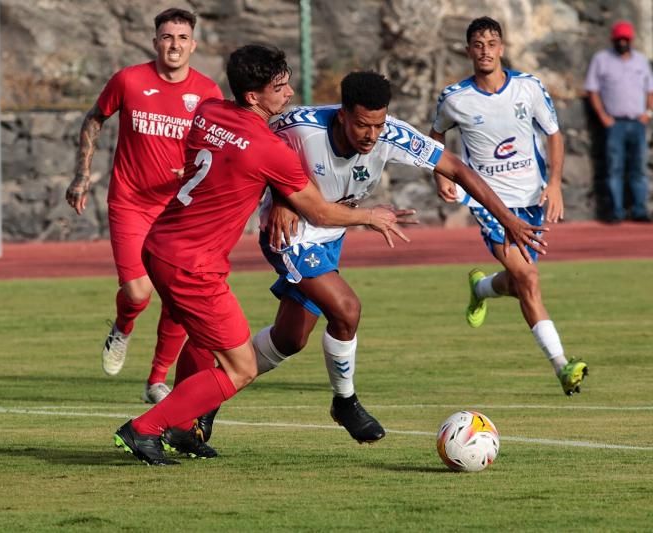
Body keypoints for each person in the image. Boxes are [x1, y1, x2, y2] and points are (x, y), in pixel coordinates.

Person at [112, 44, 428, 466]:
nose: (290, 93)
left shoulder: (208, 112)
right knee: (241, 367)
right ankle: (145, 429)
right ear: (252, 96)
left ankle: (184, 429)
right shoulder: (268, 148)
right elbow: (316, 209)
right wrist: (369, 215)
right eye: (279, 87)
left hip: (160, 245)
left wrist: (276, 192)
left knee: (207, 344)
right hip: (193, 264)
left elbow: (229, 155)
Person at [197, 71, 550, 446]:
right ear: (343, 114)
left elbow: (458, 169)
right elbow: (254, 141)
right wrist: (282, 198)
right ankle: (345, 402)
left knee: (289, 339)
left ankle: (203, 400)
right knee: (347, 309)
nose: (372, 135)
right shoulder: (301, 125)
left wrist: (507, 219)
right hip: (290, 234)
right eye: (363, 125)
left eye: (378, 125)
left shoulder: (391, 134)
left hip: (332, 232)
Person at [65, 8, 223, 404]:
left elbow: (219, 146)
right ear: (155, 42)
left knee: (179, 294)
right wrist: (82, 175)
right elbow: (94, 119)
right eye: (167, 37)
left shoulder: (207, 92)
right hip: (130, 201)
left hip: (179, 208)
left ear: (194, 45)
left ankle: (156, 380)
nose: (174, 45)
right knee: (138, 292)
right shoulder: (129, 80)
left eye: (182, 38)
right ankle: (122, 328)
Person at [429, 16, 588, 396]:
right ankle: (562, 366)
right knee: (529, 280)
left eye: (491, 43)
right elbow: (435, 135)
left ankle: (482, 288)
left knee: (520, 281)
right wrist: (441, 176)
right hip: (488, 202)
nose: (485, 50)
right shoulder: (455, 99)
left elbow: (554, 134)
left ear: (502, 47)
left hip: (531, 198)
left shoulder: (529, 88)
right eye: (477, 44)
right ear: (468, 50)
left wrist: (554, 184)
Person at [585, 20, 653, 223]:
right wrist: (604, 117)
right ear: (613, 39)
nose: (622, 42)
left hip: (638, 122)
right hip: (614, 123)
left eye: (626, 39)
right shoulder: (602, 59)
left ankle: (640, 209)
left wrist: (648, 113)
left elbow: (650, 89)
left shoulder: (641, 61)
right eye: (619, 39)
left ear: (631, 40)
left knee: (638, 168)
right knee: (614, 167)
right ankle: (616, 211)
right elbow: (592, 89)